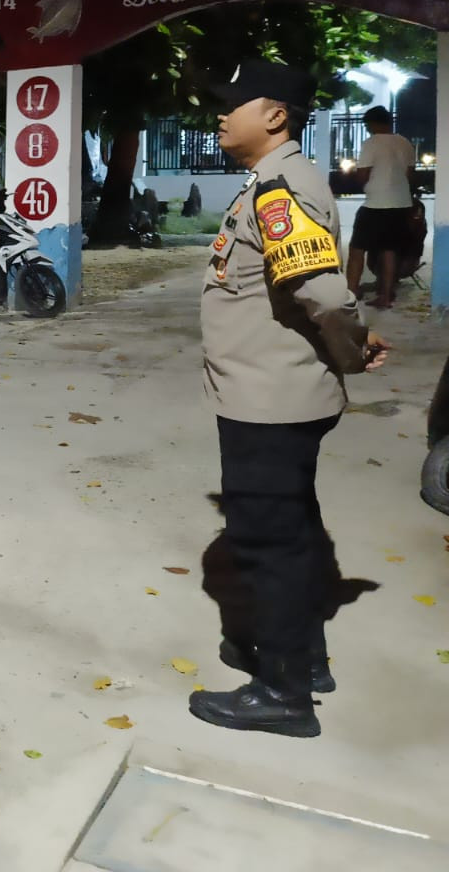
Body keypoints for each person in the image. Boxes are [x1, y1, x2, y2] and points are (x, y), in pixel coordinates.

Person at [189, 60, 390, 739]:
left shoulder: (280, 187)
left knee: (268, 543)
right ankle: (304, 661)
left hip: (267, 399)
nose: (220, 115)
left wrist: (353, 347)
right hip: (272, 391)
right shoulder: (276, 181)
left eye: (231, 103)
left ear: (274, 116)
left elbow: (326, 295)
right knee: (295, 531)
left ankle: (280, 693)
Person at [345, 105, 416, 309]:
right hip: (401, 202)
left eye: (368, 125)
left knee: (357, 248)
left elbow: (362, 175)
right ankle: (386, 296)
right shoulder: (405, 143)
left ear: (373, 124)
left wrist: (354, 178)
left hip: (376, 204)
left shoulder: (371, 143)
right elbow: (410, 175)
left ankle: (351, 292)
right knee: (389, 249)